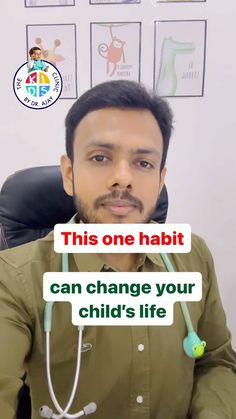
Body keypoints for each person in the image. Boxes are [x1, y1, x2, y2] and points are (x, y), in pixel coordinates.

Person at [0, 80, 236, 419]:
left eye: (143, 163)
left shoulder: (192, 257)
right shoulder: (14, 277)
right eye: (100, 157)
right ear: (69, 174)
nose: (122, 178)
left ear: (160, 180)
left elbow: (215, 360)